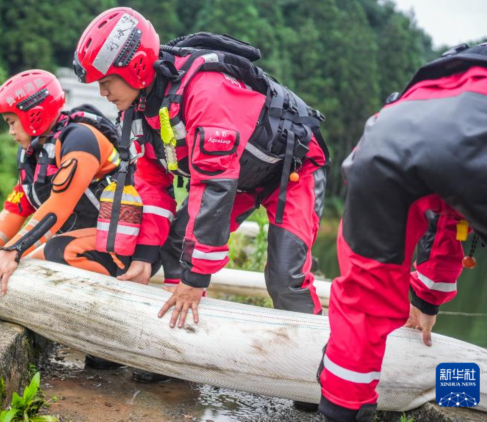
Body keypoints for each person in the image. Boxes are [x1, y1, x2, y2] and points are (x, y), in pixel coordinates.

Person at [73, 8, 330, 326]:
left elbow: (213, 186)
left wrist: (196, 279)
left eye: (107, 81)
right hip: (243, 178)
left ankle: (312, 357)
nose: (102, 93)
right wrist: (143, 257)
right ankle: (180, 337)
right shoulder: (138, 110)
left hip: (292, 171)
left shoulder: (206, 91)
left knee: (284, 276)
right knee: (177, 243)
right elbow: (152, 184)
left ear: (136, 68)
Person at [318, 39, 487, 421]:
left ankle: (342, 413)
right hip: (479, 127)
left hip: (389, 132)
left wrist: (425, 301)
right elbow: (454, 220)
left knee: (363, 299)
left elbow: (449, 218)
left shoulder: (458, 68)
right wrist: (427, 300)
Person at [0, 69, 121, 300]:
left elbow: (59, 206)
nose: (10, 131)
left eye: (12, 122)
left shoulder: (80, 138)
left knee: (50, 252)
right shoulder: (31, 153)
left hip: (122, 245)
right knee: (30, 258)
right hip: (87, 240)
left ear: (34, 114)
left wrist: (12, 251)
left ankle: (107, 298)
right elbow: (16, 207)